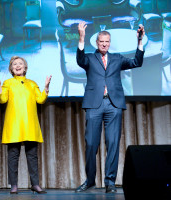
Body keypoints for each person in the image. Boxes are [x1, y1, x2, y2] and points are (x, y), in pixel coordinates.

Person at [75, 22, 145, 193]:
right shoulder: (90, 58)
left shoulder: (118, 58)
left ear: (110, 42)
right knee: (91, 144)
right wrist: (81, 37)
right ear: (97, 43)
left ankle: (110, 182)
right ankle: (90, 180)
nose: (104, 44)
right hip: (94, 104)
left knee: (113, 143)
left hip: (113, 104)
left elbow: (137, 62)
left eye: (107, 42)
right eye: (101, 42)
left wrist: (140, 42)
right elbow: (80, 59)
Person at [0, 56, 52, 194]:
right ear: (11, 68)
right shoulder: (8, 83)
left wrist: (46, 87)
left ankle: (35, 184)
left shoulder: (32, 84)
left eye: (20, 63)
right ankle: (14, 185)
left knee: (32, 156)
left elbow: (41, 99)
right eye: (15, 64)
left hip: (30, 124)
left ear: (25, 67)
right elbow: (2, 99)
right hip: (14, 125)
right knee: (13, 156)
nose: (18, 65)